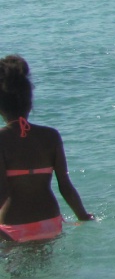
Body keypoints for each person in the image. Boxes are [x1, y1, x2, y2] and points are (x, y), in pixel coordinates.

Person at [0, 55, 93, 242]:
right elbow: (65, 186)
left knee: (18, 271)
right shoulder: (51, 136)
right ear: (30, 103)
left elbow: (2, 191)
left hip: (13, 227)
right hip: (50, 222)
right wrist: (83, 215)